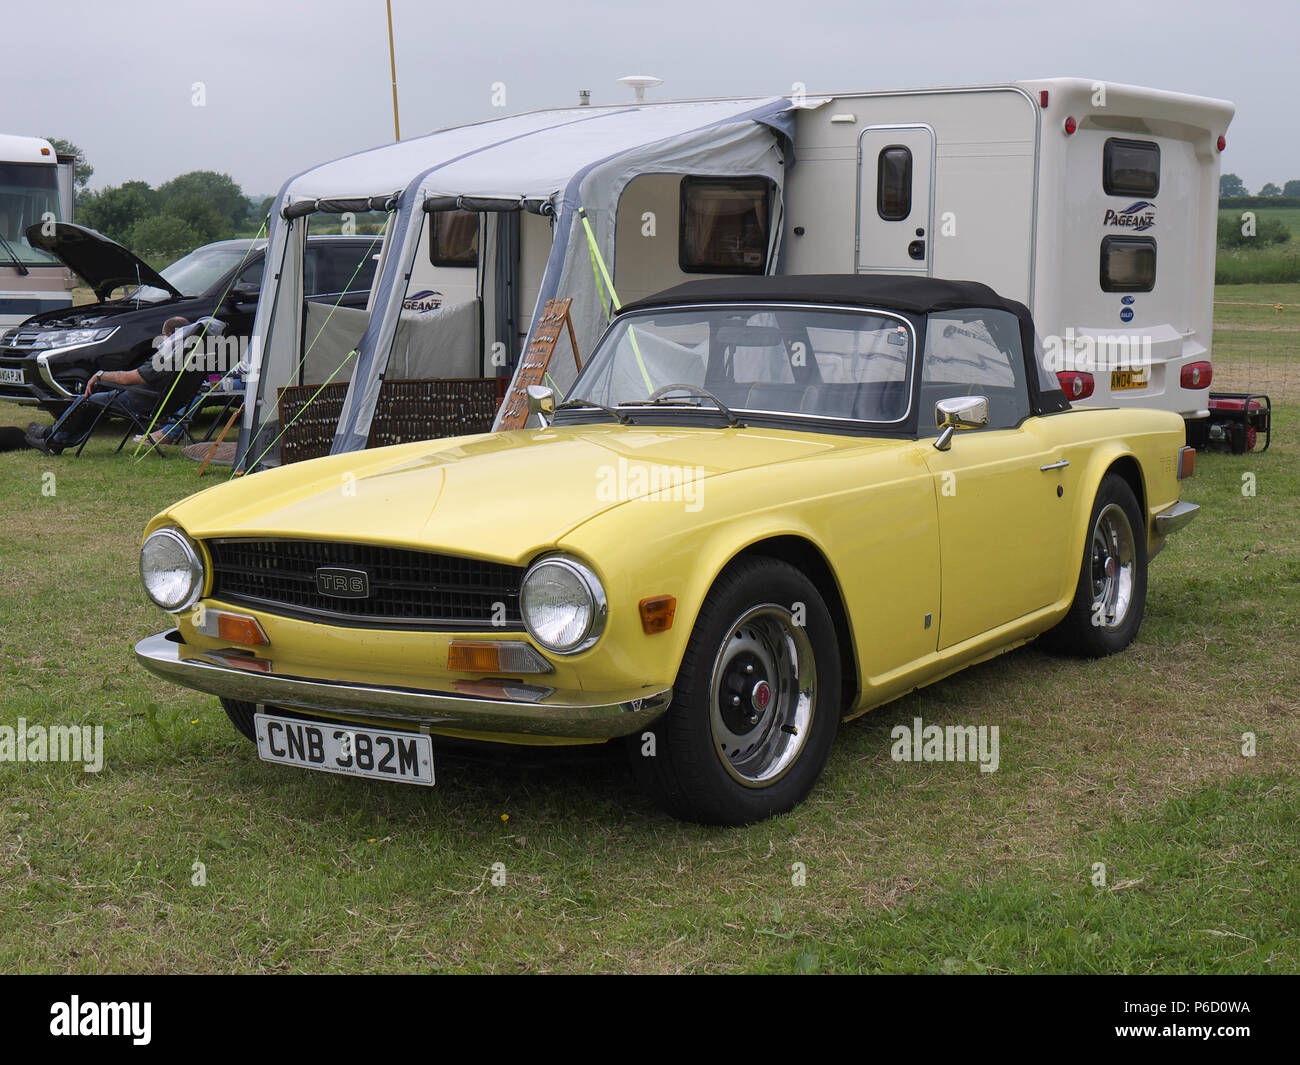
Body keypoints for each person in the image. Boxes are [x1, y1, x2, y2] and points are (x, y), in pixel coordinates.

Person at [25, 316, 223, 455]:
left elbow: (127, 379)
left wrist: (101, 374)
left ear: (170, 334)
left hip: (140, 401)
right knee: (92, 404)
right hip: (168, 403)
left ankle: (52, 439)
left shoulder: (165, 359)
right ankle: (54, 436)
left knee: (85, 401)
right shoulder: (193, 359)